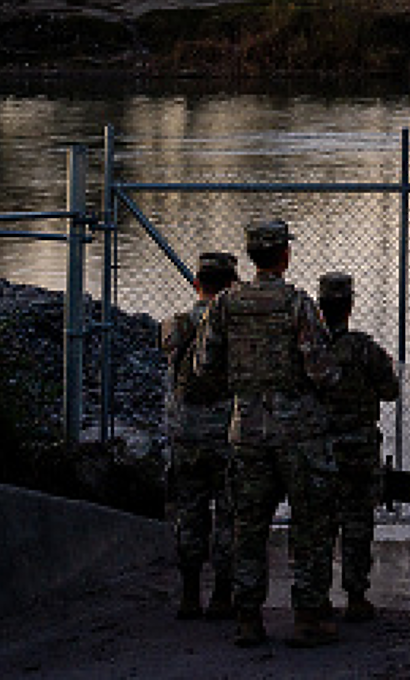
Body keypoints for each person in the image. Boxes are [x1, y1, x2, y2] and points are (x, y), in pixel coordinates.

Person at [191, 219, 340, 649]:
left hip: (246, 430)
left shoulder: (225, 305)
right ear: (284, 255)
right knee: (310, 525)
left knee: (248, 525)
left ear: (253, 256)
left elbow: (204, 366)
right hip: (298, 433)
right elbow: (323, 371)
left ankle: (248, 618)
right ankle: (307, 617)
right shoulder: (298, 305)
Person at [159, 250, 239, 622]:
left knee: (189, 513)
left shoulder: (174, 326)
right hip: (227, 432)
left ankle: (190, 594)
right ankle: (223, 594)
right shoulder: (236, 329)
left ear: (196, 284)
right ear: (233, 286)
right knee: (229, 514)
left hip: (186, 432)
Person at [317, 271, 400, 623]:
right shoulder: (365, 349)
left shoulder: (309, 350)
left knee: (318, 524)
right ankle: (355, 595)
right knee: (358, 522)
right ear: (350, 306)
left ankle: (315, 595)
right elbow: (391, 390)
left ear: (320, 308)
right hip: (360, 448)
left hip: (319, 447)